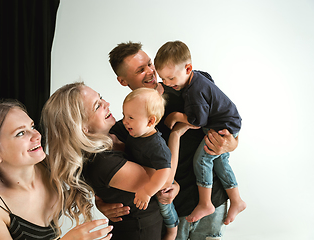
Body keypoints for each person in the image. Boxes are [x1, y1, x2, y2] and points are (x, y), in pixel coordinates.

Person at [97, 41, 239, 240]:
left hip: (212, 199)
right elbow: (102, 167)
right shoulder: (126, 127)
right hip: (171, 213)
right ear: (123, 81)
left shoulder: (189, 88)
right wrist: (100, 202)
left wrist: (233, 143)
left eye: (149, 64)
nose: (150, 71)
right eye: (140, 70)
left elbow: (226, 117)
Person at [41, 82, 192, 240]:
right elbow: (165, 181)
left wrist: (176, 185)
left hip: (155, 223)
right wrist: (176, 135)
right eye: (97, 106)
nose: (107, 104)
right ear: (82, 127)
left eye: (101, 98)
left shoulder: (118, 131)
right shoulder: (103, 162)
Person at [0, 100, 112, 240]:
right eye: (20, 133)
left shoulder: (48, 165)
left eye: (32, 126)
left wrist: (101, 200)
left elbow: (88, 181)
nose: (37, 135)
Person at [154, 40, 246, 225]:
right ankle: (236, 200)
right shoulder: (197, 78)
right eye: (163, 78)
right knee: (219, 159)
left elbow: (198, 121)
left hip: (222, 126)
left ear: (188, 68)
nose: (167, 83)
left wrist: (176, 116)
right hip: (228, 122)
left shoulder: (194, 91)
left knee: (202, 159)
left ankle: (206, 203)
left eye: (171, 78)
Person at [123, 88, 191, 240]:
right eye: (124, 116)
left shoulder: (156, 145)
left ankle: (173, 230)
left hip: (161, 181)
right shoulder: (135, 132)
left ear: (150, 121)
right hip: (150, 176)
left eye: (131, 117)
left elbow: (164, 171)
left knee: (164, 204)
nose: (125, 121)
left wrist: (147, 191)